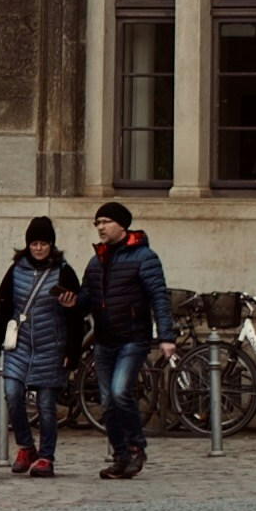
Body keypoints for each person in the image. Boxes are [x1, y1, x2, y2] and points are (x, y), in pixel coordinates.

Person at [82, 198, 175, 477]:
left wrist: (166, 337)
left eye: (106, 222)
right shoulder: (96, 260)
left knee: (122, 392)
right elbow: (86, 298)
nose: (100, 227)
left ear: (122, 225)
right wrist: (70, 300)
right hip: (104, 339)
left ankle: (136, 448)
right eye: (97, 223)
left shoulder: (145, 258)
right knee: (108, 401)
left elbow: (159, 297)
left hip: (132, 338)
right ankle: (120, 455)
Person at [0, 218, 79, 479]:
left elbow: (76, 315)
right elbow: (2, 308)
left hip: (52, 346)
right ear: (27, 245)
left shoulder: (64, 271)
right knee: (13, 394)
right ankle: (26, 447)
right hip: (20, 345)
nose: (39, 248)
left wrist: (72, 353)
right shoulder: (15, 270)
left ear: (52, 245)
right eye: (34, 243)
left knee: (47, 405)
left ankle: (46, 457)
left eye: (44, 243)